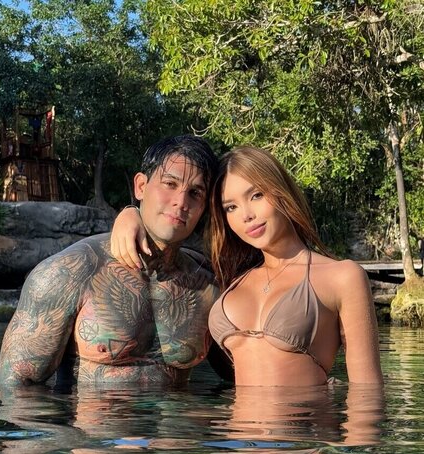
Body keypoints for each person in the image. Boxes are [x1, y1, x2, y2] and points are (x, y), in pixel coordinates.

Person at [111, 146, 383, 386]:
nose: (247, 215)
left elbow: (367, 392)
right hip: (231, 428)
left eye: (256, 195)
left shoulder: (342, 276)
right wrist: (130, 212)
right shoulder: (231, 278)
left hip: (303, 428)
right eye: (231, 207)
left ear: (281, 191)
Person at [0, 135, 219, 388]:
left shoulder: (208, 284)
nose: (181, 202)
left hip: (181, 415)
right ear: (141, 186)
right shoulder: (68, 273)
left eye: (195, 193)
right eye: (170, 183)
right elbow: (16, 388)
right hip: (92, 413)